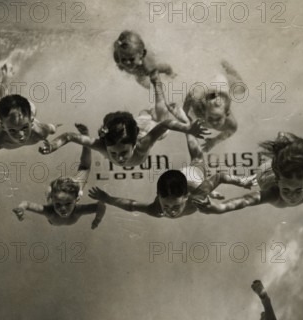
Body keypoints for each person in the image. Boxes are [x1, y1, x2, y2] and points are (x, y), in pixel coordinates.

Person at [88, 106, 255, 218]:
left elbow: (220, 176)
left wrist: (241, 181)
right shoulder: (159, 207)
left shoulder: (197, 196)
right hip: (186, 184)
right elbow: (132, 206)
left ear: (186, 197)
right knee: (197, 160)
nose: (170, 212)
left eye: (174, 207)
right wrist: (107, 198)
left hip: (190, 179)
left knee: (198, 158)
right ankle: (184, 122)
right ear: (159, 197)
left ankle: (185, 121)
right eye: (167, 207)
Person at [38, 72, 208, 167]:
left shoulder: (143, 145)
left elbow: (165, 124)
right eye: (114, 154)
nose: (119, 158)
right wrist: (53, 145)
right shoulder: (104, 146)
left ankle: (157, 82)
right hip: (137, 122)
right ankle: (154, 92)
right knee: (147, 114)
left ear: (134, 145)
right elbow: (69, 136)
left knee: (161, 118)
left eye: (123, 153)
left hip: (147, 126)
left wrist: (188, 128)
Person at [12, 124, 106, 228]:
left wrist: (97, 220)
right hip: (59, 191)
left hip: (65, 188)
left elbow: (100, 207)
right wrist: (21, 208)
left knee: (84, 168)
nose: (63, 209)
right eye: (58, 205)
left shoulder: (71, 210)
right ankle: (85, 137)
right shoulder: (51, 211)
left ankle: (85, 136)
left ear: (77, 199)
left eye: (68, 204)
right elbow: (26, 204)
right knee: (84, 168)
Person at [0, 63, 59, 149]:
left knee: (5, 98)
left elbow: (52, 128)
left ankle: (7, 73)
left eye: (25, 128)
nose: (21, 136)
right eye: (12, 131)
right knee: (4, 99)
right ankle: (7, 73)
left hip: (30, 109)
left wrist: (54, 130)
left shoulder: (40, 132)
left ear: (31, 120)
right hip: (9, 118)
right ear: (3, 127)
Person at [183, 60, 245, 151]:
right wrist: (186, 118)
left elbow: (231, 130)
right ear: (204, 114)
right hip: (212, 88)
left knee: (241, 88)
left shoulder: (230, 123)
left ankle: (227, 66)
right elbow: (190, 96)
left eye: (218, 118)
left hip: (218, 87)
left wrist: (214, 142)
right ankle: (220, 65)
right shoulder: (198, 108)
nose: (214, 122)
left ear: (227, 114)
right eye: (210, 118)